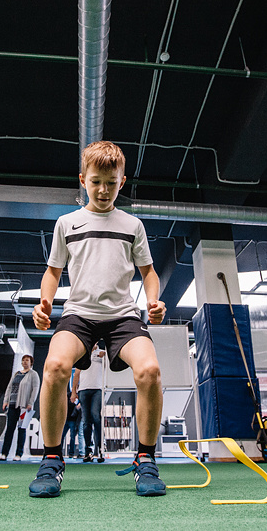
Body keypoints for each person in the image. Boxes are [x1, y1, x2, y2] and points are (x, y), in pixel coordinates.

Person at [29, 141, 166, 498]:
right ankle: (52, 460)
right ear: (82, 180)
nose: (103, 190)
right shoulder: (67, 223)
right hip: (79, 314)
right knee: (55, 366)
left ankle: (146, 459)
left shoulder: (132, 225)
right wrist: (44, 303)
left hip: (122, 315)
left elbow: (149, 273)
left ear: (122, 181)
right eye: (95, 181)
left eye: (111, 181)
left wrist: (153, 301)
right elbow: (52, 272)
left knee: (149, 370)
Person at [0, 354, 40, 461]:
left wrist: (31, 402)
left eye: (27, 360)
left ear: (31, 363)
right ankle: (4, 453)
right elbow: (9, 387)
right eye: (23, 360)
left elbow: (35, 389)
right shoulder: (16, 374)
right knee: (9, 429)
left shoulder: (33, 374)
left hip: (24, 406)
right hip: (12, 404)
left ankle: (19, 453)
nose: (25, 362)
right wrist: (6, 401)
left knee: (22, 429)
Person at [72, 346, 105, 462]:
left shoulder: (102, 353)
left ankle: (100, 450)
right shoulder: (82, 354)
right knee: (86, 421)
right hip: (83, 390)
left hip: (97, 389)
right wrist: (73, 392)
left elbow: (112, 364)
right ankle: (88, 451)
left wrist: (105, 357)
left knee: (96, 416)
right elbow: (76, 375)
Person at [61, 389, 82, 458]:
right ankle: (59, 451)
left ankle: (71, 453)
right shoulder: (67, 396)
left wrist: (78, 405)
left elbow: (78, 408)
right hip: (66, 419)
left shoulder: (79, 397)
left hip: (73, 420)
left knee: (72, 437)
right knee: (62, 436)